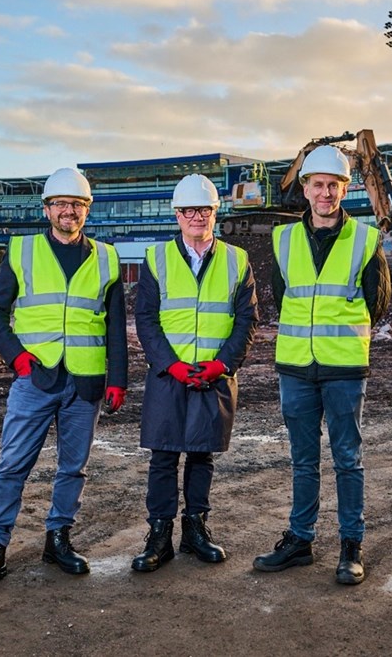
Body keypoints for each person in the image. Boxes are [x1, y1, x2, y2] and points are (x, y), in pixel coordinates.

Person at [0, 167, 129, 594]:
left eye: (77, 204)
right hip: (34, 380)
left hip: (87, 381)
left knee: (73, 469)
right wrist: (18, 360)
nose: (68, 211)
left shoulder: (107, 257)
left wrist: (119, 379)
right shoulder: (22, 252)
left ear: (87, 210)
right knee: (12, 466)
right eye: (60, 204)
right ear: (47, 209)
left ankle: (58, 539)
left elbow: (114, 326)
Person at [252, 145, 391, 585]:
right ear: (306, 189)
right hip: (295, 367)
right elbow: (281, 295)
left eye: (334, 185)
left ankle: (351, 544)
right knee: (303, 459)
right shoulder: (284, 239)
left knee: (347, 458)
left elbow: (377, 302)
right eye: (318, 185)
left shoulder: (366, 240)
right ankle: (301, 539)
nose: (325, 193)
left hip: (344, 369)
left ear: (344, 189)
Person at [131, 173, 259, 572]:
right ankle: (159, 536)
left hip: (213, 376)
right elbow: (146, 319)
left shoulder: (237, 260)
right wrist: (171, 364)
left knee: (202, 456)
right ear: (177, 215)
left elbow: (247, 320)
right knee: (164, 457)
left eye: (204, 210)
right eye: (189, 211)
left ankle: (195, 531)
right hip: (169, 376)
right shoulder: (156, 259)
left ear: (214, 213)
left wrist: (222, 365)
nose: (196, 217)